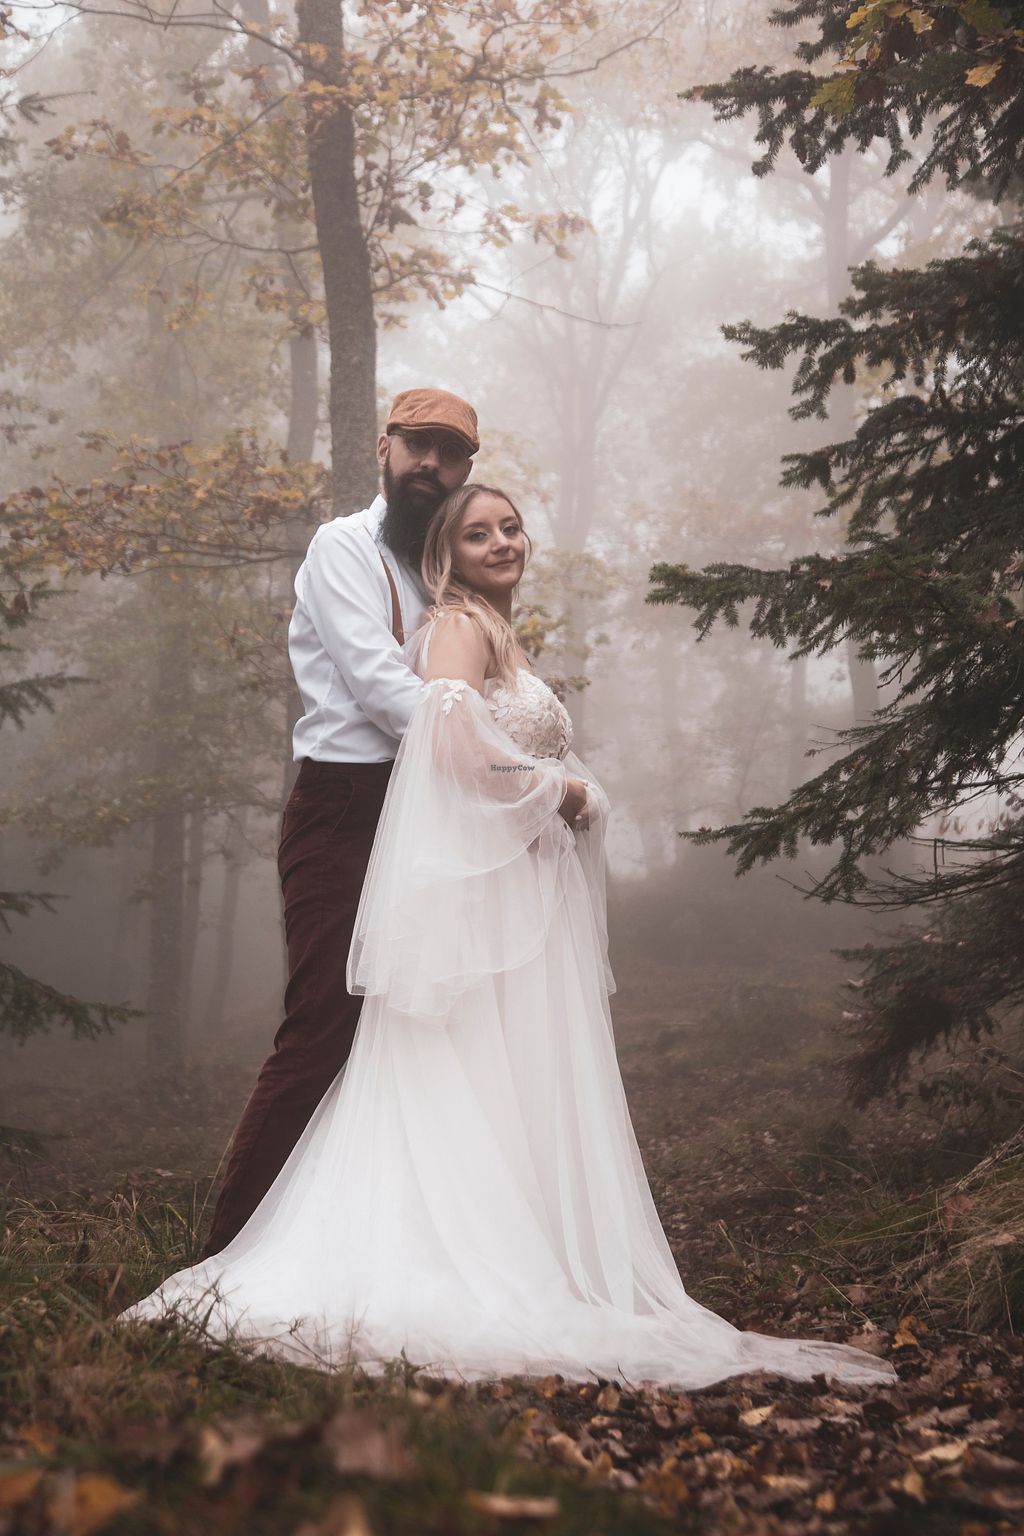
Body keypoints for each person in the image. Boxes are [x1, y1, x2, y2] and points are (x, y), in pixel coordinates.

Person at [119, 482, 898, 1393]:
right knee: (452, 1076)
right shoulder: (458, 625)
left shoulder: (498, 632)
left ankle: (521, 1250)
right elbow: (450, 752)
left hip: (517, 893)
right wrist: (561, 793)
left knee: (504, 1083)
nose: (502, 543)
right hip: (486, 897)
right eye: (478, 533)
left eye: (512, 528)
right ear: (446, 555)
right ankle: (403, 1263)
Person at [197, 387, 486, 1260]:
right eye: (417, 445)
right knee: (323, 1027)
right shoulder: (342, 547)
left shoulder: (444, 567)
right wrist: (502, 762)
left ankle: (366, 1256)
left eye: (449, 452)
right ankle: (221, 1261)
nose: (430, 463)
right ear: (383, 447)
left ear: (466, 469)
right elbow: (381, 686)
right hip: (344, 809)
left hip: (429, 811)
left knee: (418, 1029)